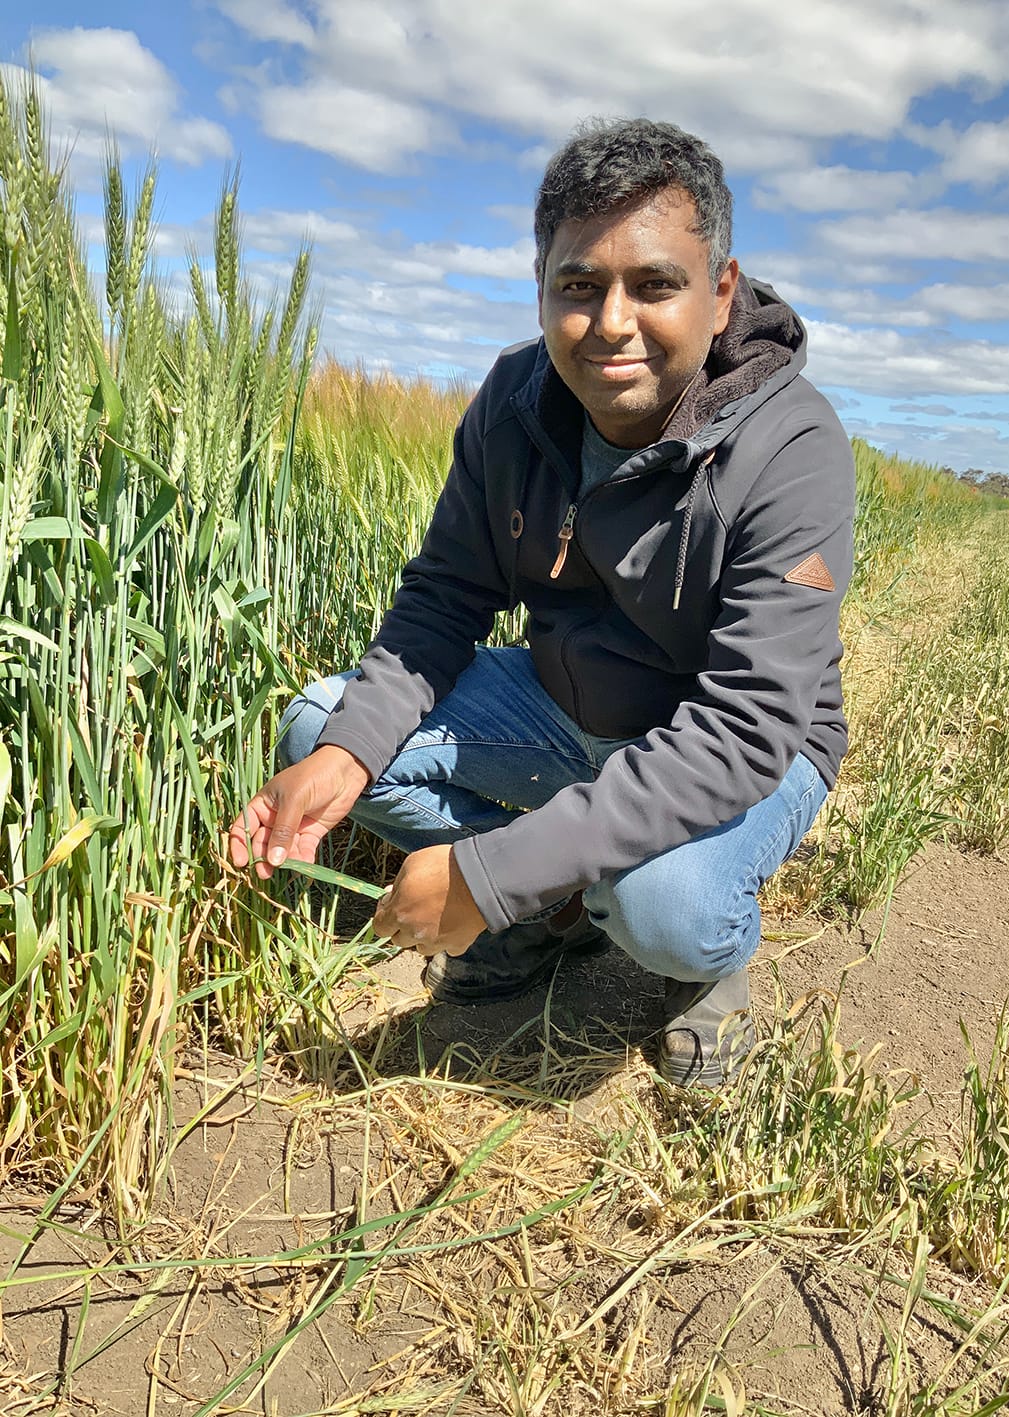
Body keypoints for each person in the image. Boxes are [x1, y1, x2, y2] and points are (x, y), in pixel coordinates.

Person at [228, 117, 855, 1087]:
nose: (611, 322)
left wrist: (488, 874)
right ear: (541, 286)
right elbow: (444, 597)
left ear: (721, 291)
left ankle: (705, 964)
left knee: (665, 906)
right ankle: (551, 910)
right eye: (578, 285)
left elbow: (743, 729)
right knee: (321, 732)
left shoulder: (792, 448)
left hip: (742, 749)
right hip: (567, 710)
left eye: (654, 284)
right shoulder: (516, 401)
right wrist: (349, 755)